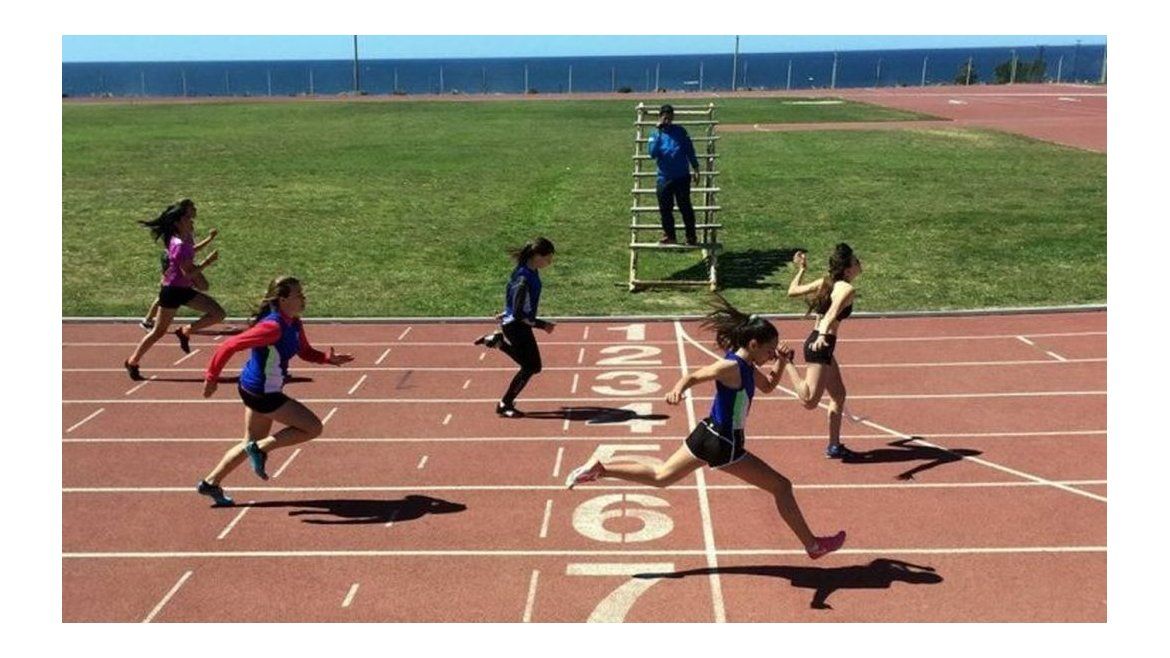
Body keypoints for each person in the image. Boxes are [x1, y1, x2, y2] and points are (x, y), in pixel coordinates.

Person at [564, 295, 846, 560]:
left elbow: (769, 386)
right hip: (725, 445)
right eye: (770, 350)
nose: (772, 354)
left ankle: (601, 468)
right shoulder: (731, 367)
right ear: (753, 344)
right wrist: (677, 389)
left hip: (706, 434)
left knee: (661, 475)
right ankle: (813, 545)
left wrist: (783, 363)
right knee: (782, 487)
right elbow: (695, 375)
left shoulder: (746, 367)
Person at [195, 276, 354, 506]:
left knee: (250, 440)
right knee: (312, 427)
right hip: (262, 392)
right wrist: (212, 377)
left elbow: (305, 351)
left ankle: (210, 483)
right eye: (298, 294)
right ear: (282, 299)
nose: (303, 298)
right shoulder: (272, 327)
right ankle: (258, 450)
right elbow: (229, 345)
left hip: (256, 388)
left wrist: (327, 359)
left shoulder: (294, 323)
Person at [123, 199, 226, 381]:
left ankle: (185, 330)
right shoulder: (177, 244)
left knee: (218, 313)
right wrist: (208, 262)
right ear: (178, 222)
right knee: (158, 332)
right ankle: (132, 361)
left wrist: (208, 240)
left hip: (184, 289)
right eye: (187, 217)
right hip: (172, 291)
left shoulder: (186, 238)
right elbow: (188, 273)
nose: (192, 220)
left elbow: (190, 253)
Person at [784, 243, 864, 458]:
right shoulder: (847, 289)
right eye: (856, 261)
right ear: (847, 269)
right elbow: (830, 314)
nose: (860, 263)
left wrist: (801, 270)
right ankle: (785, 362)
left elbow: (792, 291)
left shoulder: (825, 282)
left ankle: (834, 446)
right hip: (820, 344)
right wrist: (822, 335)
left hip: (823, 344)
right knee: (809, 401)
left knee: (839, 394)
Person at [473, 237, 557, 418]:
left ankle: (497, 343)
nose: (550, 262)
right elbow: (519, 314)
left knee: (532, 366)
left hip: (515, 323)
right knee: (532, 366)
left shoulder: (528, 272)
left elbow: (513, 298)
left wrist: (506, 311)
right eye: (548, 258)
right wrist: (542, 324)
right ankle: (505, 404)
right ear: (536, 256)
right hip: (516, 326)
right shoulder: (524, 278)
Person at [141, 227, 218, 331]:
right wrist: (207, 260)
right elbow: (192, 249)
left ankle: (148, 320)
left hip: (175, 272)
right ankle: (148, 320)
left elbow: (193, 249)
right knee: (164, 295)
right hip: (171, 265)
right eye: (189, 221)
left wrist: (209, 239)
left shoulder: (184, 236)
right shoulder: (179, 239)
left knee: (164, 295)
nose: (192, 223)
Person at [647, 104, 701, 245]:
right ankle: (670, 236)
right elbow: (652, 153)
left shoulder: (680, 131)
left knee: (685, 207)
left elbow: (690, 150)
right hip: (664, 177)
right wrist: (658, 133)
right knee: (665, 209)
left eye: (670, 117)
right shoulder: (655, 134)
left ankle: (691, 236)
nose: (667, 120)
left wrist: (696, 168)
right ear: (660, 117)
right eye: (665, 117)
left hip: (682, 176)